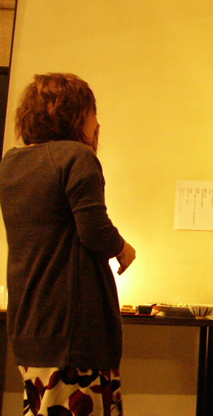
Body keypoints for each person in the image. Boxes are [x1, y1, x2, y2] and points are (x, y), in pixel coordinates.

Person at [0, 73, 136, 415]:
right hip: (72, 328)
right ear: (76, 114)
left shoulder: (12, 163)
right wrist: (123, 249)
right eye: (92, 112)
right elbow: (94, 230)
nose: (97, 123)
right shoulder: (76, 157)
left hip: (29, 321)